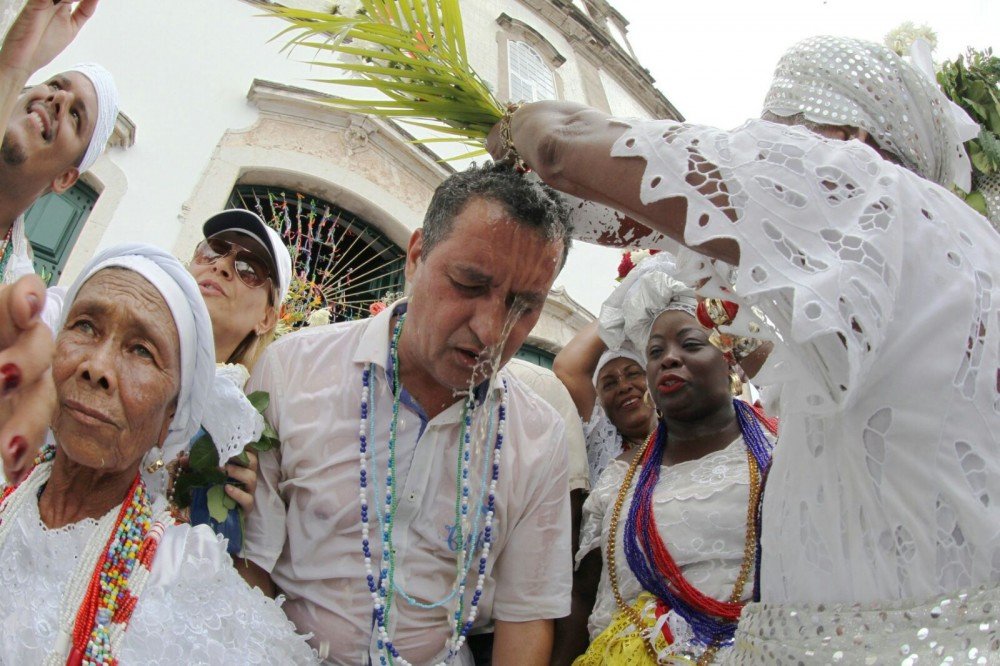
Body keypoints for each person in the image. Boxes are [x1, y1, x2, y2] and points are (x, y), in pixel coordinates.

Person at [488, 35, 1000, 662]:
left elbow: (561, 151)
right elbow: (651, 218)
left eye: (783, 134)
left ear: (850, 141)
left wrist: (522, 123)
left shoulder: (864, 187)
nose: (769, 152)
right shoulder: (950, 251)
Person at [243, 162, 573, 664]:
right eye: (468, 283)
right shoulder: (293, 370)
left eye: (523, 307)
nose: (490, 330)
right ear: (416, 255)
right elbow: (252, 564)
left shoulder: (538, 438)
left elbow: (525, 621)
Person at [0, 243, 316, 663]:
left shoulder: (187, 574)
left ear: (172, 417)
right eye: (85, 326)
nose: (97, 367)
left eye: (142, 351)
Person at [560, 256, 776, 664]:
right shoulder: (618, 480)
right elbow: (585, 595)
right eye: (654, 351)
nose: (668, 359)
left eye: (690, 344)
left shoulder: (777, 453)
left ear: (729, 360)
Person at [1, 0, 118, 285]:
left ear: (65, 179)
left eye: (76, 116)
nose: (58, 98)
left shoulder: (17, 291)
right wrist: (16, 67)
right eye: (55, 85)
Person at [555, 322, 655, 490]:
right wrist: (621, 306)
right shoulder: (602, 444)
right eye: (609, 384)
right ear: (599, 403)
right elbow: (567, 369)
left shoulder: (687, 429)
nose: (624, 387)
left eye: (633, 374)